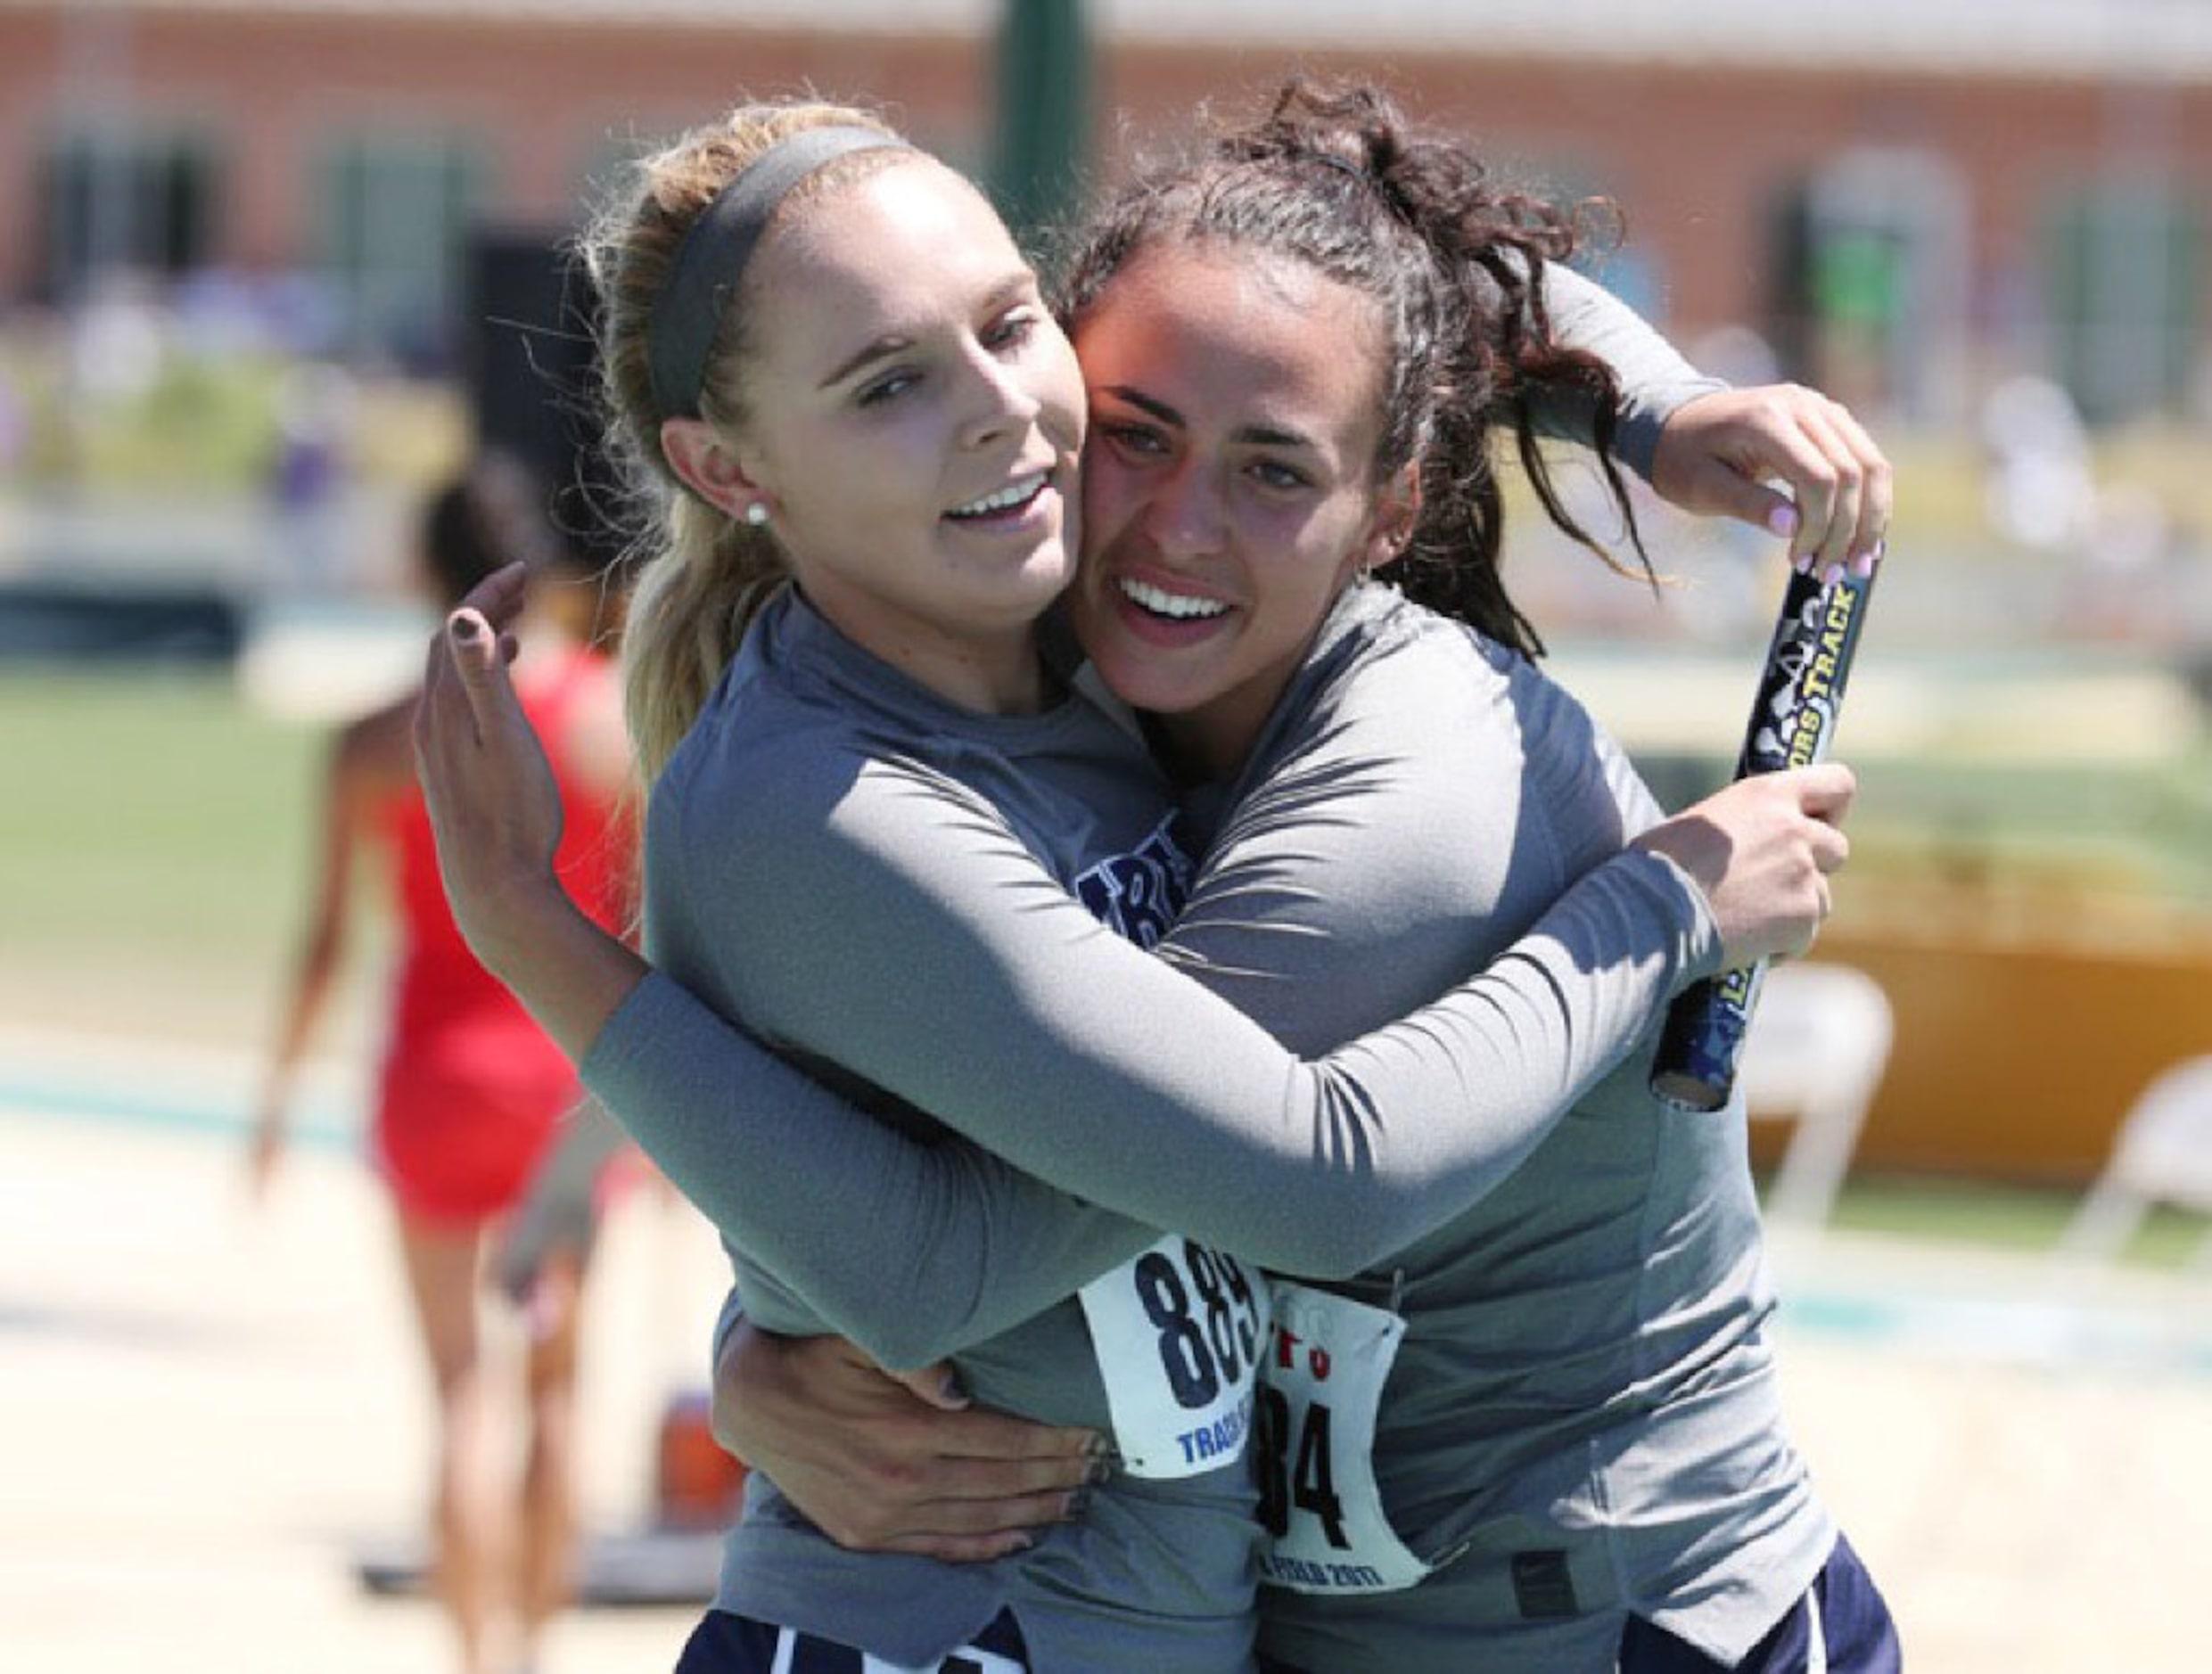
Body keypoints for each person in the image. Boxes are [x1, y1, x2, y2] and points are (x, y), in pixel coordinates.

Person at [412, 87, 1878, 1673]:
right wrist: (764, 1347)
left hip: (1613, 1624)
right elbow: (1068, 1203)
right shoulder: (968, 708)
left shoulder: (1363, 756)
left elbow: (1047, 1226)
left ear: (1392, 500)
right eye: (1139, 432)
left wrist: (1659, 414)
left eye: (1008, 328)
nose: (1010, 420)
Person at [249, 451, 635, 1674]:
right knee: (556, 1396)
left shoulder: (373, 738)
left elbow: (322, 942)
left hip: (431, 1076)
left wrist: (269, 1101)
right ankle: (540, 1651)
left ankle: (479, 1662)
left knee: (461, 1392)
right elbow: (650, 926)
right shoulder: (605, 718)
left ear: (422, 568)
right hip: (574, 1078)